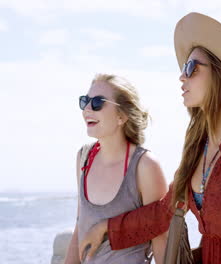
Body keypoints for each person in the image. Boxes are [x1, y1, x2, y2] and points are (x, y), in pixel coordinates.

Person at [79, 12, 221, 264]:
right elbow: (162, 213)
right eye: (183, 69)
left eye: (191, 68)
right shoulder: (197, 149)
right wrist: (106, 227)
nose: (182, 76)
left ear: (220, 75)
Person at [64, 74, 168, 264]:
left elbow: (161, 234)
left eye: (97, 103)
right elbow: (81, 224)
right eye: (85, 101)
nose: (87, 108)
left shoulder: (145, 166)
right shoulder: (83, 158)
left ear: (122, 116)